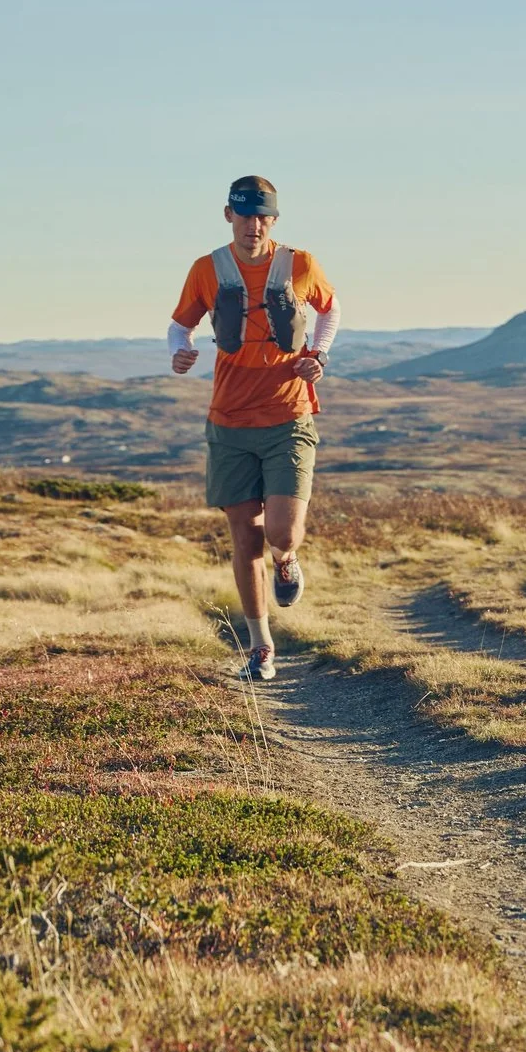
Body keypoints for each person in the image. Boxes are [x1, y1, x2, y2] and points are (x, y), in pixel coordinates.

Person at [168, 176, 340, 681]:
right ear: (229, 216)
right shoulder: (207, 269)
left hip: (289, 416)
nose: (254, 225)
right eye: (245, 216)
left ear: (275, 219)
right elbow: (181, 324)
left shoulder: (300, 264)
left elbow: (330, 311)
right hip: (229, 421)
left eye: (263, 216)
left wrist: (319, 357)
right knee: (245, 538)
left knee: (281, 533)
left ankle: (287, 559)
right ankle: (261, 646)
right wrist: (178, 350)